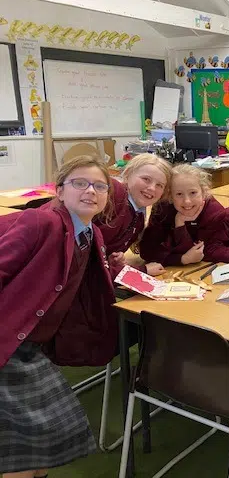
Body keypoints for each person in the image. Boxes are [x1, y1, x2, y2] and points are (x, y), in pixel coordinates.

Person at [0, 156, 120, 478]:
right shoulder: (43, 222)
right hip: (8, 343)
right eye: (79, 183)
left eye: (99, 186)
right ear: (60, 190)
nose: (90, 191)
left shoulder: (90, 233)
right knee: (25, 449)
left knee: (46, 437)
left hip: (31, 345)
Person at [96, 153, 172, 277]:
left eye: (159, 185)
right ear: (127, 175)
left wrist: (111, 257)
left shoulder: (139, 218)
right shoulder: (114, 194)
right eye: (146, 179)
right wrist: (141, 270)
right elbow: (90, 266)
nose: (152, 188)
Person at [139, 164, 225, 266]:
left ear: (203, 191)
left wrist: (180, 229)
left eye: (193, 193)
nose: (187, 201)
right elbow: (147, 251)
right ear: (170, 195)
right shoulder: (162, 207)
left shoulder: (214, 212)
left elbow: (204, 252)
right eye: (179, 194)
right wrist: (182, 259)